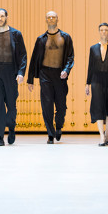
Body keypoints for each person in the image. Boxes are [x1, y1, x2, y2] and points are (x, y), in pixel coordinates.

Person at [27, 11, 74, 144]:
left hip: (60, 74)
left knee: (61, 105)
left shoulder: (65, 37)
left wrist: (66, 70)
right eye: (49, 17)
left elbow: (71, 56)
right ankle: (50, 133)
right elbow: (34, 58)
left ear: (57, 19)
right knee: (46, 104)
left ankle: (58, 126)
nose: (51, 19)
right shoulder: (41, 39)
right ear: (46, 20)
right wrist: (30, 79)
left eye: (53, 17)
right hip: (45, 74)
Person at [0, 8, 27, 146]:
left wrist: (21, 72)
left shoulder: (16, 34)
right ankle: (0, 137)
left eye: (2, 16)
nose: (0, 18)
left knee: (11, 104)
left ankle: (11, 127)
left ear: (7, 17)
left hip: (10, 72)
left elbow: (22, 55)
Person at [84, 23, 108, 146]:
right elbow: (90, 66)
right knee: (98, 106)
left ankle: (107, 133)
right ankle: (101, 136)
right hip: (97, 80)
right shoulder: (93, 48)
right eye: (101, 30)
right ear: (99, 31)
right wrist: (87, 83)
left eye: (106, 30)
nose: (104, 32)